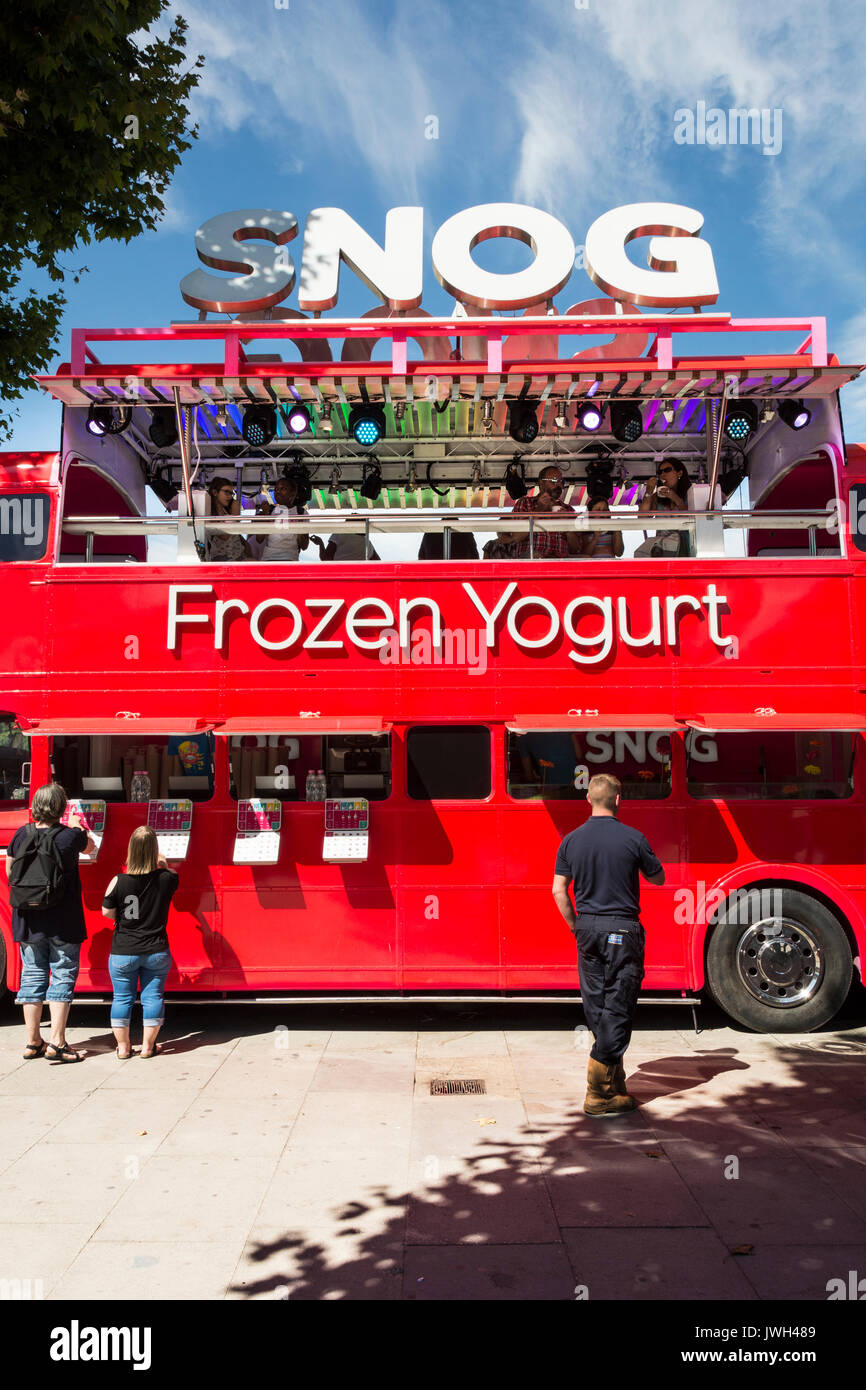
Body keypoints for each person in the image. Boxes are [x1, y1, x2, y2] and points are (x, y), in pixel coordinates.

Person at [551, 773, 665, 1116]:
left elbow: (558, 890)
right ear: (618, 800)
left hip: (587, 928)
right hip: (622, 931)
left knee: (598, 1005)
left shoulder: (570, 841)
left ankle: (615, 1085)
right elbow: (658, 877)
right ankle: (597, 1093)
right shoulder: (634, 838)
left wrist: (577, 926)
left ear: (588, 799)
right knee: (619, 1004)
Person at [5, 782, 96, 1062]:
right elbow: (91, 847)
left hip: (28, 917)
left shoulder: (22, 834)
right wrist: (80, 826)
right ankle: (57, 1042)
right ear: (61, 808)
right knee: (63, 972)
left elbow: (11, 872)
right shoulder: (69, 837)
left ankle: (33, 1041)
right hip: (63, 917)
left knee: (32, 975)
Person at [101, 826, 178, 1059]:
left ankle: (123, 1048)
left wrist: (123, 918)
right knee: (153, 996)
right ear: (155, 851)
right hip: (156, 950)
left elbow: (106, 911)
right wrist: (162, 863)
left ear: (131, 851)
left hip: (124, 950)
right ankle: (148, 1047)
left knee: (122, 998)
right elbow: (171, 875)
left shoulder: (119, 880)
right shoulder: (167, 879)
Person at [505, 466, 582, 557]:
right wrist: (539, 510)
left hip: (560, 566)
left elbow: (576, 549)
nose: (559, 485)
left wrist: (566, 526)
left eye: (561, 481)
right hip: (532, 564)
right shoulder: (525, 503)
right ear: (541, 483)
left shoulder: (568, 510)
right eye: (554, 481)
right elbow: (516, 537)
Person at [635, 460, 691, 556]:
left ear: (679, 473)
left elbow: (692, 517)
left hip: (685, 547)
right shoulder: (657, 497)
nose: (662, 474)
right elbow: (642, 518)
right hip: (664, 550)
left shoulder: (690, 494)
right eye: (660, 472)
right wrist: (648, 491)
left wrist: (674, 497)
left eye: (667, 470)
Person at [258, 476, 310, 562]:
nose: (277, 492)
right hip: (268, 559)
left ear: (293, 493)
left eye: (283, 489)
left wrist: (299, 528)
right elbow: (259, 539)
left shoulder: (301, 513)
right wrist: (265, 515)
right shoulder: (269, 510)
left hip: (290, 559)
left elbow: (304, 546)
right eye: (276, 489)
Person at [206, 477, 251, 562]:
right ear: (215, 492)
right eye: (227, 492)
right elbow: (224, 536)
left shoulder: (226, 511)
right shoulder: (209, 512)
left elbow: (235, 533)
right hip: (220, 558)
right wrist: (234, 514)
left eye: (231, 493)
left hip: (237, 555)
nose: (230, 496)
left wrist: (245, 544)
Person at [311, 532, 380, 561]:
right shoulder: (367, 542)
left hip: (340, 575)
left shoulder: (339, 534)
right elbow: (378, 563)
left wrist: (320, 543)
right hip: (359, 580)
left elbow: (326, 558)